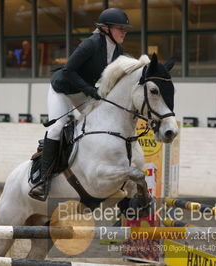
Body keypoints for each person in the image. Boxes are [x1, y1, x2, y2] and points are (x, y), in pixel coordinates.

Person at [29, 8, 132, 201]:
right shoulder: (91, 44)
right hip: (63, 89)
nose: (124, 32)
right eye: (120, 28)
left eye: (125, 29)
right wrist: (89, 89)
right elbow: (68, 71)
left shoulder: (118, 50)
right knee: (57, 128)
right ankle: (42, 180)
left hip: (83, 92)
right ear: (106, 28)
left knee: (99, 124)